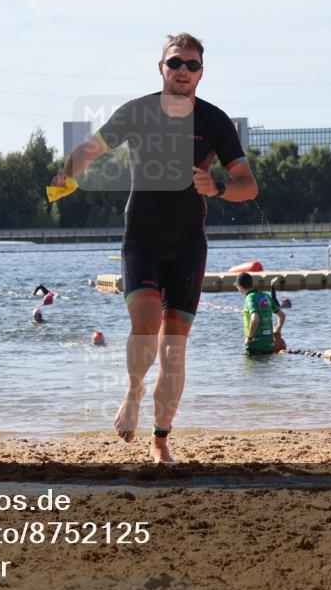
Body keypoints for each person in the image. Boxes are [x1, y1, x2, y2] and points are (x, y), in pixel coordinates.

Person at [51, 33, 257, 463]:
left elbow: (248, 185)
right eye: (175, 62)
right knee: (144, 327)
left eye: (192, 65)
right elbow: (92, 149)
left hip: (187, 243)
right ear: (161, 67)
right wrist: (67, 174)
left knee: (173, 351)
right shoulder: (137, 112)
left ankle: (160, 440)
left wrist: (217, 187)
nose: (183, 70)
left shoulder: (216, 121)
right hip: (141, 236)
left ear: (201, 72)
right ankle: (132, 391)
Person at [235, 273, 285, 355]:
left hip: (255, 346)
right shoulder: (265, 296)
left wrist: (249, 338)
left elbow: (255, 318)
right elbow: (282, 315)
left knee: (249, 367)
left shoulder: (250, 298)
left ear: (239, 286)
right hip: (269, 346)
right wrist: (277, 331)